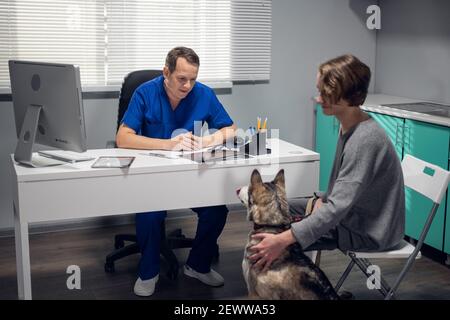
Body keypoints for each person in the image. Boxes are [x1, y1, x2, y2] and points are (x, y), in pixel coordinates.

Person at [248, 54, 405, 272]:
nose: (318, 98)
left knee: (274, 239)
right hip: (352, 217)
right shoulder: (351, 125)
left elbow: (336, 209)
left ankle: (301, 290)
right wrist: (321, 200)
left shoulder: (364, 140)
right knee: (271, 209)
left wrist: (283, 240)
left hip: (368, 231)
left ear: (345, 96)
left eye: (324, 93)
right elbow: (344, 192)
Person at [116, 46, 237, 296]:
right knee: (149, 215)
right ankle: (148, 272)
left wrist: (208, 141)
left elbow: (230, 129)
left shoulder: (204, 94)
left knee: (217, 211)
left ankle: (197, 265)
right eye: (182, 79)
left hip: (191, 175)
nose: (187, 86)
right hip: (153, 177)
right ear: (166, 73)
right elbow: (123, 137)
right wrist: (167, 145)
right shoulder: (145, 93)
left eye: (193, 79)